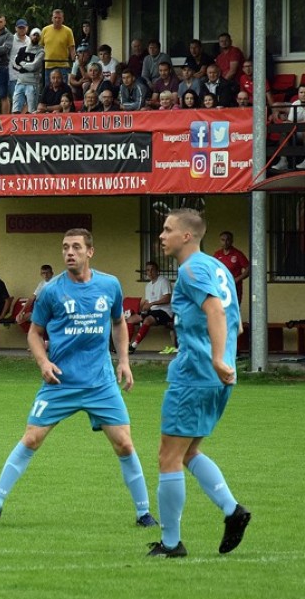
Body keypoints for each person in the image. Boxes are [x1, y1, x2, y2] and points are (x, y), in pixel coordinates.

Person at [0, 229, 157, 529]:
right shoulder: (52, 291)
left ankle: (144, 513)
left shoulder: (109, 285)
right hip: (60, 382)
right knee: (31, 438)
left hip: (100, 383)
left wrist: (124, 361)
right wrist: (43, 362)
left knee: (124, 444)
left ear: (90, 252)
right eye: (65, 247)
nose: (70, 252)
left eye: (76, 247)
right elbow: (34, 332)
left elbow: (119, 323)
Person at [147, 208, 250, 558]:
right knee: (188, 452)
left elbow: (217, 313)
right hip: (218, 379)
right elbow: (234, 321)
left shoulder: (191, 270)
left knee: (168, 456)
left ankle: (172, 544)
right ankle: (232, 510)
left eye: (167, 230)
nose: (161, 236)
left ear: (187, 236)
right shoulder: (218, 268)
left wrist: (215, 358)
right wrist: (224, 357)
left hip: (196, 375)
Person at [127, 261, 175, 354]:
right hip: (152, 312)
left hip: (164, 312)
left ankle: (133, 346)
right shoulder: (148, 286)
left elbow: (167, 298)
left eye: (152, 270)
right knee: (131, 319)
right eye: (148, 270)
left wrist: (152, 304)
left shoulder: (164, 281)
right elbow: (148, 302)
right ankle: (126, 346)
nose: (150, 272)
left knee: (147, 320)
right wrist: (143, 307)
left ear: (158, 271)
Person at [11, 28, 44, 114]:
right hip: (20, 81)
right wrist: (25, 66)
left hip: (33, 83)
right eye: (34, 35)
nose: (35, 37)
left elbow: (33, 66)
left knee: (31, 110)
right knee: (15, 109)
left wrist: (21, 63)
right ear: (30, 36)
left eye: (38, 35)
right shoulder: (22, 49)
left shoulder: (41, 51)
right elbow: (14, 63)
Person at [40, 9, 75, 86]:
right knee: (48, 89)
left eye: (59, 18)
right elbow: (40, 47)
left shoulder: (68, 31)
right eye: (55, 17)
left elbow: (72, 48)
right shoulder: (45, 30)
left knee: (62, 88)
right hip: (48, 65)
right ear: (52, 18)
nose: (57, 20)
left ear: (63, 19)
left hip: (62, 66)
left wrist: (74, 63)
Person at [213, 231, 250, 304]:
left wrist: (237, 279)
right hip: (221, 289)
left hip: (234, 289)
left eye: (228, 240)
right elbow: (212, 269)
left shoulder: (237, 254)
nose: (225, 242)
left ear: (232, 241)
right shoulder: (217, 254)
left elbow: (249, 269)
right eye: (223, 240)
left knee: (233, 312)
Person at [8, 19, 30, 99]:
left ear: (27, 28)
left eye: (23, 28)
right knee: (16, 100)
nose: (21, 29)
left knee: (27, 100)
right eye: (20, 28)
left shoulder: (30, 41)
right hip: (13, 76)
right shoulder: (10, 40)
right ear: (16, 28)